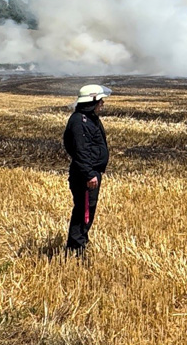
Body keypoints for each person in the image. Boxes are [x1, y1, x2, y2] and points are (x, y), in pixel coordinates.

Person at [63, 83, 112, 255]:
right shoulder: (79, 122)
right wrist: (89, 174)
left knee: (87, 210)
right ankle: (76, 249)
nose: (102, 104)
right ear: (91, 101)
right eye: (100, 101)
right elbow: (80, 151)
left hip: (89, 174)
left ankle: (79, 243)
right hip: (85, 177)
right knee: (83, 212)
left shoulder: (88, 118)